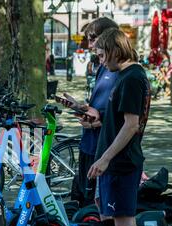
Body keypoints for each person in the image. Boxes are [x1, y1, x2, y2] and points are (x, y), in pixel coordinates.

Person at [88, 28, 151, 226]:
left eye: (102, 55)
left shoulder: (132, 78)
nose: (101, 62)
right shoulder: (123, 76)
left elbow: (131, 125)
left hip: (121, 165)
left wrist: (105, 158)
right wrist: (99, 120)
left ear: (115, 49)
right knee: (114, 224)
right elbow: (119, 121)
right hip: (113, 164)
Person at [62, 17, 120, 208]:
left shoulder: (120, 70)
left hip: (102, 146)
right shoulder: (102, 67)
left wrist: (100, 119)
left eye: (93, 38)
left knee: (95, 203)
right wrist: (79, 106)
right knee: (82, 198)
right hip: (89, 142)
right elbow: (100, 105)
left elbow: (126, 116)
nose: (90, 44)